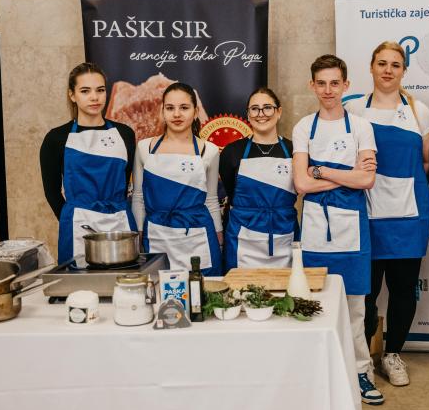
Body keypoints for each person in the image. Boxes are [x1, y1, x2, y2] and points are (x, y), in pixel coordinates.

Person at [292, 54, 383, 405]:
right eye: (321, 83)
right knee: (313, 303)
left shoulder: (361, 127)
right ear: (312, 86)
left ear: (346, 85)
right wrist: (348, 176)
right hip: (316, 228)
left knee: (356, 309)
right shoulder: (304, 127)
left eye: (334, 83)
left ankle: (361, 372)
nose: (328, 90)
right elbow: (301, 184)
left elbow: (368, 180)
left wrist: (321, 171)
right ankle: (316, 372)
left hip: (353, 231)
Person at [345, 41, 429, 387]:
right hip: (365, 214)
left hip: (407, 216)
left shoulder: (419, 111)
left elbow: (426, 163)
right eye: (382, 63)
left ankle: (393, 354)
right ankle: (362, 358)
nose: (388, 70)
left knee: (402, 289)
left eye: (395, 65)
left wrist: (402, 190)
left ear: (404, 71)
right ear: (371, 67)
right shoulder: (353, 109)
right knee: (364, 292)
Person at [40, 63, 136, 263]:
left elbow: (126, 181)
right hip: (78, 226)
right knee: (80, 281)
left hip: (119, 222)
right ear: (72, 95)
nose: (94, 97)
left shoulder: (125, 134)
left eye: (100, 90)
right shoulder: (56, 138)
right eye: (85, 91)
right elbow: (51, 192)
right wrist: (72, 217)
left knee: (124, 279)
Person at [132, 82, 223, 275]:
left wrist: (219, 235)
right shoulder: (144, 148)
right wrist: (138, 233)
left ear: (195, 112)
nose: (176, 114)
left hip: (198, 235)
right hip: (157, 234)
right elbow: (138, 197)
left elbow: (211, 199)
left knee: (204, 289)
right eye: (170, 108)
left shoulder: (210, 150)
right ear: (162, 112)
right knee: (158, 289)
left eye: (184, 108)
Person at [221, 87, 297, 268]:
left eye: (267, 108)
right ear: (248, 114)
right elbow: (230, 191)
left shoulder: (295, 150)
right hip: (243, 238)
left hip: (284, 234)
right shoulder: (232, 152)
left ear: (279, 112)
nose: (261, 114)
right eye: (254, 109)